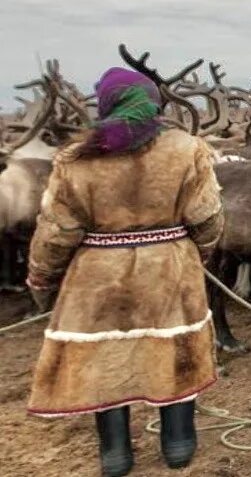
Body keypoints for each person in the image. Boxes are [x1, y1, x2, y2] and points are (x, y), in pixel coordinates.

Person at [24, 68, 225, 476]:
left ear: (108, 103)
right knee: (176, 352)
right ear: (152, 104)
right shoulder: (186, 149)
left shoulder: (75, 158)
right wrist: (198, 253)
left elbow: (58, 229)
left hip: (98, 275)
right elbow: (207, 217)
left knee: (105, 360)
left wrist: (41, 275)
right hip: (169, 267)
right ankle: (179, 444)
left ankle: (115, 454)